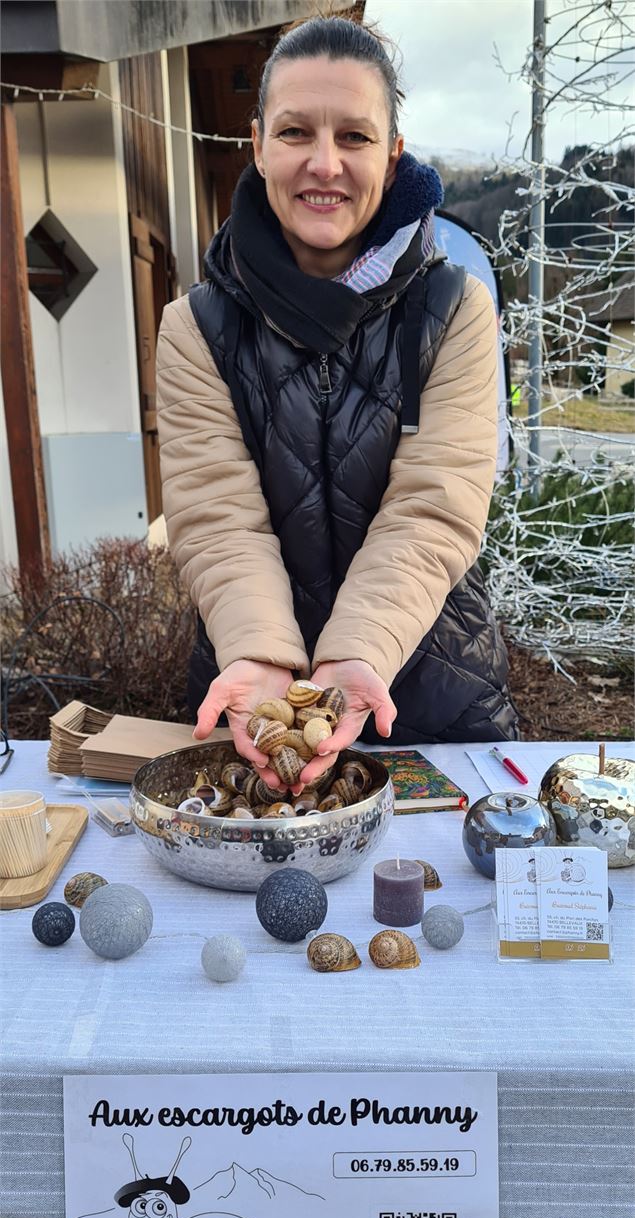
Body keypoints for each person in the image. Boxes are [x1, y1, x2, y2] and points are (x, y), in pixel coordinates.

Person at [156, 14, 518, 794]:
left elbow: (434, 506)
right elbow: (215, 514)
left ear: (390, 157)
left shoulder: (453, 309)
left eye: (353, 137)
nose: (324, 163)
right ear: (256, 146)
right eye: (295, 132)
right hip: (253, 705)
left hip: (433, 700)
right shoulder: (196, 327)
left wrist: (355, 654)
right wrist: (259, 657)